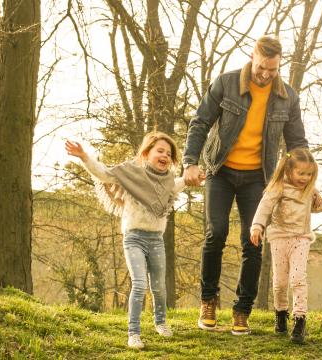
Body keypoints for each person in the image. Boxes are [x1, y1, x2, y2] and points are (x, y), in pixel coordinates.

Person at [182, 35, 308, 335]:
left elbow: (297, 142)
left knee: (252, 242)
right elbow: (200, 122)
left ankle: (242, 310)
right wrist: (190, 162)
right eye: (261, 67)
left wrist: (305, 179)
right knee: (216, 232)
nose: (265, 74)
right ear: (252, 57)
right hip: (220, 171)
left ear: (279, 66)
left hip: (258, 177)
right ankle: (209, 300)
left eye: (272, 70)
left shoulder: (287, 97)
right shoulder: (225, 84)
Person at [65, 132, 198, 349]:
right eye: (160, 151)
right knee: (139, 284)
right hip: (134, 237)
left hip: (156, 239)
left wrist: (191, 179)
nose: (165, 155)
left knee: (159, 287)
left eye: (169, 153)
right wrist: (84, 157)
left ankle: (160, 322)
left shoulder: (167, 182)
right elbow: (104, 174)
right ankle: (133, 333)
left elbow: (177, 185)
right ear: (147, 153)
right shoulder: (131, 173)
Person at [250, 148, 322, 344]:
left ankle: (299, 319)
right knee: (280, 282)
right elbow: (264, 206)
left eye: (309, 174)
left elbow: (317, 206)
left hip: (301, 238)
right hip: (279, 238)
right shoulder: (278, 187)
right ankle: (281, 314)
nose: (305, 178)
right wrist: (257, 226)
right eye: (301, 173)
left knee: (298, 279)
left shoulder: (308, 190)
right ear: (289, 170)